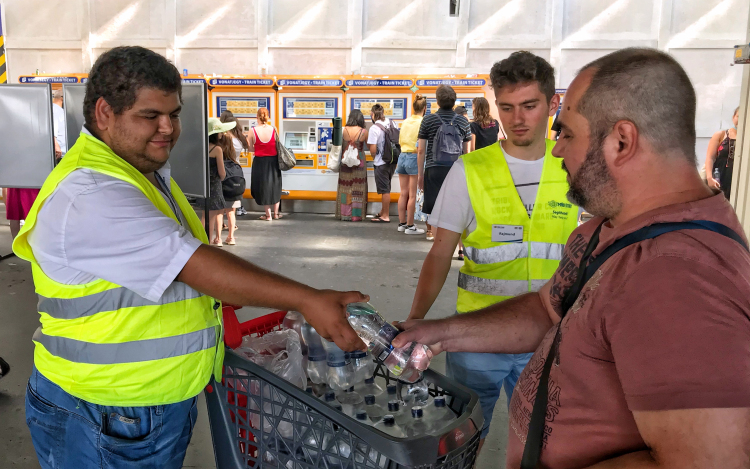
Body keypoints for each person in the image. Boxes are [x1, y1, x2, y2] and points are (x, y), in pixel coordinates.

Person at [395, 48, 750, 469]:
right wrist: (439, 333)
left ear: (622, 141)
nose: (557, 151)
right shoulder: (610, 229)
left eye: (567, 134)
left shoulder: (678, 273)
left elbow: (708, 462)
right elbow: (548, 309)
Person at [14, 46, 367, 469]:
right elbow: (193, 263)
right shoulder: (90, 193)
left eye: (174, 114)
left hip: (146, 403)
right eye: (151, 115)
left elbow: (171, 273)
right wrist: (306, 298)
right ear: (105, 113)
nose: (169, 128)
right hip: (104, 411)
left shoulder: (140, 173)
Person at [407, 51, 575, 452]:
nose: (518, 119)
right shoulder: (470, 170)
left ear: (553, 104)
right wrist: (416, 320)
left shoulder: (575, 168)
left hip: (550, 337)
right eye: (507, 107)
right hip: (476, 336)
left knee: (543, 442)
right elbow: (440, 254)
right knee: (463, 439)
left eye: (530, 106)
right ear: (495, 106)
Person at [417, 84, 472, 240]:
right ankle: (459, 249)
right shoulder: (463, 122)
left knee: (435, 210)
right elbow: (466, 152)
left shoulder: (428, 120)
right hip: (456, 170)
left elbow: (420, 150)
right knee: (457, 209)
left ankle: (438, 246)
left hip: (433, 169)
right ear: (454, 101)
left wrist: (421, 175)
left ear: (437, 101)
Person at [395, 94, 427, 234]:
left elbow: (400, 141)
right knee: (413, 195)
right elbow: (421, 146)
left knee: (403, 193)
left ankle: (401, 224)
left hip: (402, 155)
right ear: (425, 108)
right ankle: (410, 226)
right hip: (414, 157)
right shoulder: (423, 122)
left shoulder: (406, 121)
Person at [336, 109, 369, 221]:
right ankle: (356, 215)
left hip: (345, 162)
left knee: (345, 187)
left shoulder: (344, 130)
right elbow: (368, 147)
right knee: (358, 188)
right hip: (359, 162)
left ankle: (345, 214)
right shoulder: (364, 132)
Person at [249, 108, 282, 220]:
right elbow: (277, 144)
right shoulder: (274, 129)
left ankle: (268, 215)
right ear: (268, 117)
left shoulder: (252, 130)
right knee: (275, 185)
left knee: (263, 186)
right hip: (274, 161)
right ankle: (276, 214)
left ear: (257, 117)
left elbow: (250, 148)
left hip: (260, 162)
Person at [220, 110, 249, 239]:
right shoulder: (240, 139)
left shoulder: (226, 139)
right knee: (232, 205)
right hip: (236, 171)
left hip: (224, 170)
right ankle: (231, 231)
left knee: (222, 202)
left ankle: (220, 226)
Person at [368, 104, 397, 223]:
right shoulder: (393, 123)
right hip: (393, 160)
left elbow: (373, 149)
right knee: (387, 186)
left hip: (381, 162)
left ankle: (385, 215)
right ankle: (382, 211)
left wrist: (375, 157)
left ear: (373, 114)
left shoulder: (374, 128)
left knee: (384, 190)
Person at [205, 118, 230, 246]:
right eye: (220, 131)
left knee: (204, 215)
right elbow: (222, 172)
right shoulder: (217, 149)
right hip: (214, 186)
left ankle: (201, 240)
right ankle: (207, 243)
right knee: (212, 217)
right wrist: (222, 178)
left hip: (202, 185)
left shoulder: (201, 147)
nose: (222, 134)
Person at [705, 106, 739, 200]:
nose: (740, 120)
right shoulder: (721, 135)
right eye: (738, 116)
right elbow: (710, 157)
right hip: (719, 177)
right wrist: (709, 178)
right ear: (733, 117)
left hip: (738, 181)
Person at [52, 89, 67, 160]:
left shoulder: (58, 109)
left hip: (61, 151)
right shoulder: (56, 110)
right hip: (59, 152)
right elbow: (53, 128)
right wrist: (56, 146)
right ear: (62, 98)